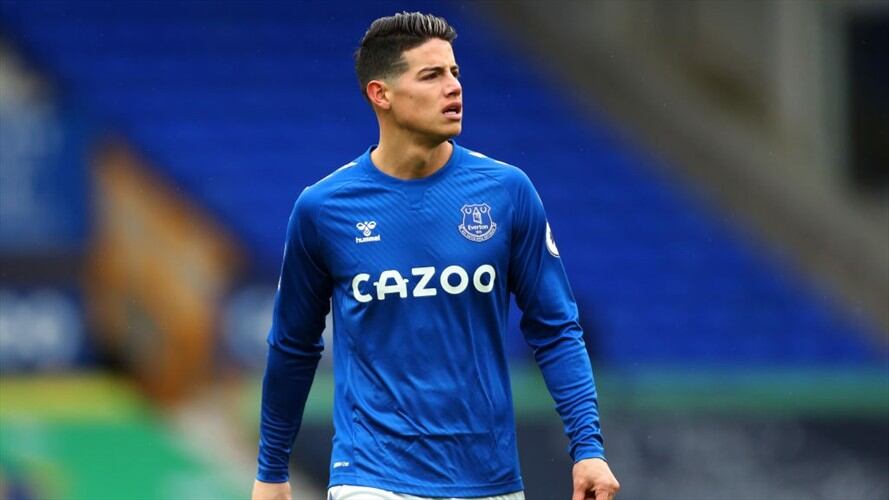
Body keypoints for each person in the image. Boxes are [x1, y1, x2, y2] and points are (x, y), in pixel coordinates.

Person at [251, 11, 620, 500]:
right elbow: (293, 347)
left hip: (488, 479)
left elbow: (555, 330)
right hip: (372, 476)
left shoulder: (507, 192)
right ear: (380, 94)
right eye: (432, 75)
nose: (454, 87)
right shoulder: (324, 209)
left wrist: (588, 448)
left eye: (455, 73)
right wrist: (272, 470)